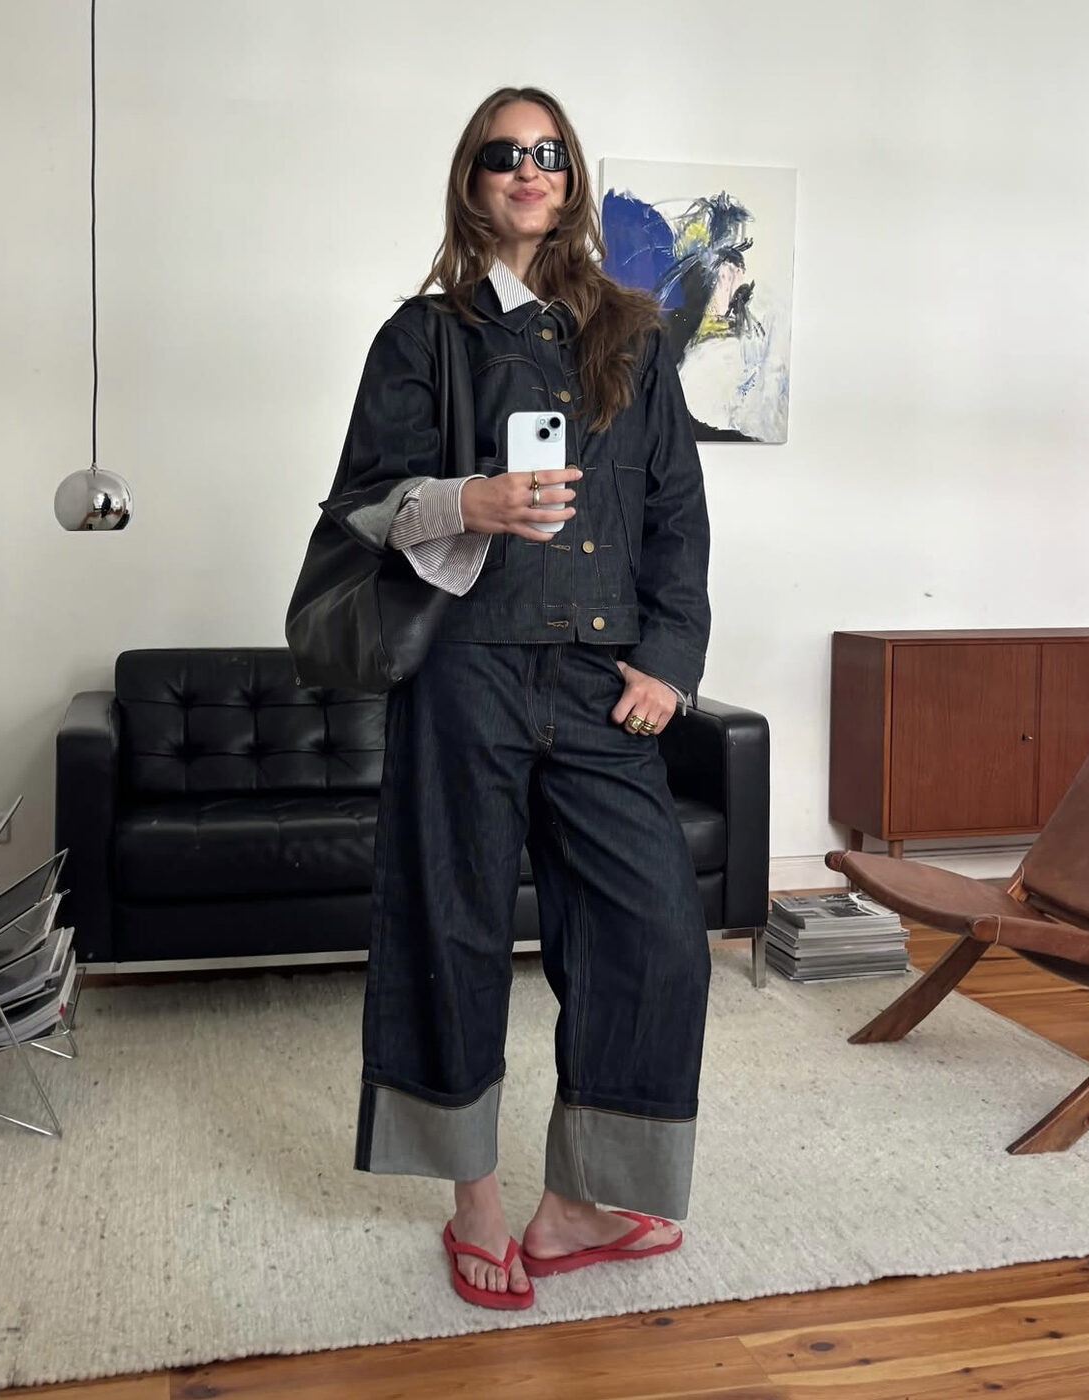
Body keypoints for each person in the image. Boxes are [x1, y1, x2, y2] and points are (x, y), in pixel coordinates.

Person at [338, 86, 712, 1309]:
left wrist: (668, 658)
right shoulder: (422, 335)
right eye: (503, 153)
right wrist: (473, 501)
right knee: (448, 924)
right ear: (472, 180)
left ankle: (577, 1202)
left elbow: (674, 513)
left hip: (603, 679)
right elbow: (365, 503)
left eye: (547, 151)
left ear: (571, 175)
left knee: (653, 929)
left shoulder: (634, 334)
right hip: (467, 669)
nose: (527, 168)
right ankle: (475, 1202)